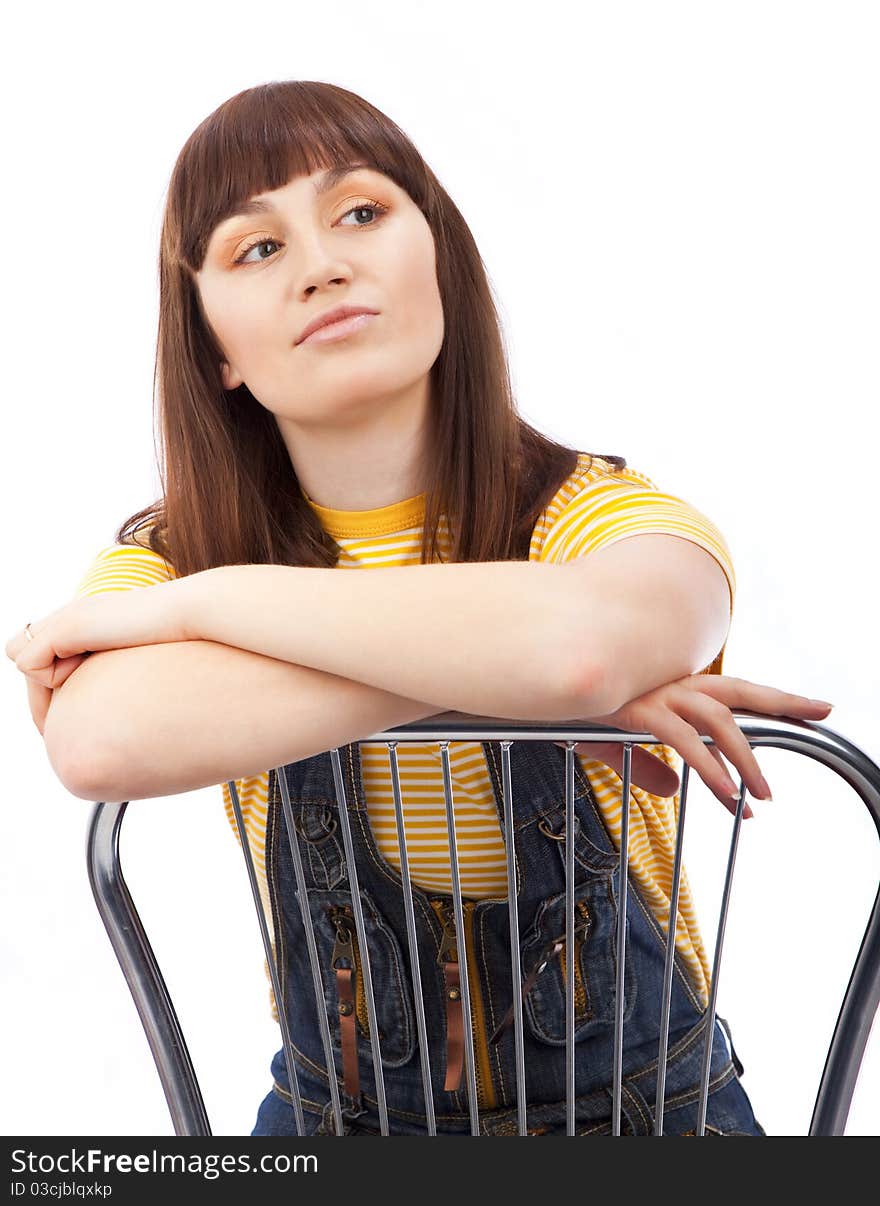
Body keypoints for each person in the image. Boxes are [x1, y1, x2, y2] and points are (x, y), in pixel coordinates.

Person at [6, 80, 832, 1136]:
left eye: (360, 212)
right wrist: (510, 675)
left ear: (435, 252)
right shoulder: (167, 554)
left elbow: (577, 654)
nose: (322, 265)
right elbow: (99, 739)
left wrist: (207, 611)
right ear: (213, 345)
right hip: (333, 1121)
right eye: (256, 250)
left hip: (649, 1116)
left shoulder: (602, 516)